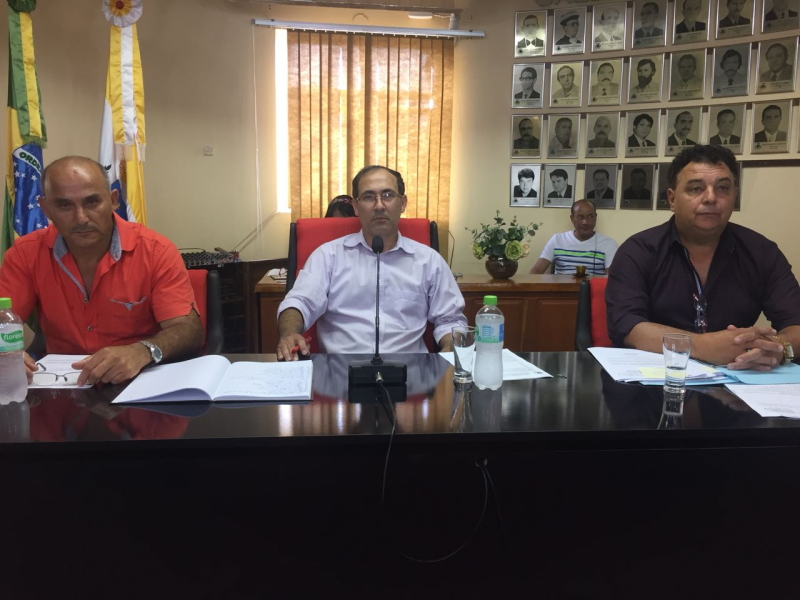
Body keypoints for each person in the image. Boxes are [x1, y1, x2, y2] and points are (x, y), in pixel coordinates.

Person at [0, 156, 203, 386]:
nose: (81, 218)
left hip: (139, 382)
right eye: (64, 205)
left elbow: (188, 330)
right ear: (45, 208)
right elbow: (2, 320)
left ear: (113, 200)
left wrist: (143, 350)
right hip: (62, 387)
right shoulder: (25, 254)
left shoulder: (156, 251)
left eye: (92, 202)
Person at [606, 145, 800, 370]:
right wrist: (701, 346)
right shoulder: (638, 251)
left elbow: (795, 322)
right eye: (696, 189)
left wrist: (777, 348)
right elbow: (627, 325)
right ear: (672, 199)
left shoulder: (761, 252)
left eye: (723, 188)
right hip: (656, 379)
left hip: (738, 378)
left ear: (734, 196)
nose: (711, 198)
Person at [276, 165, 466, 359]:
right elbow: (300, 302)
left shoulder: (429, 261)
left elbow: (450, 320)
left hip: (411, 371)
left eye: (388, 195)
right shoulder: (328, 256)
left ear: (402, 203)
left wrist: (450, 348)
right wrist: (289, 333)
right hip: (341, 371)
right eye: (368, 197)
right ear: (356, 207)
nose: (379, 205)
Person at [530, 200, 617, 275]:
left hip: (592, 289)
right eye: (580, 217)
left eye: (590, 216)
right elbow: (536, 271)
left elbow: (612, 279)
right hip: (561, 288)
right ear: (572, 218)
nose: (585, 222)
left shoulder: (608, 244)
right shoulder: (557, 239)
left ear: (596, 217)